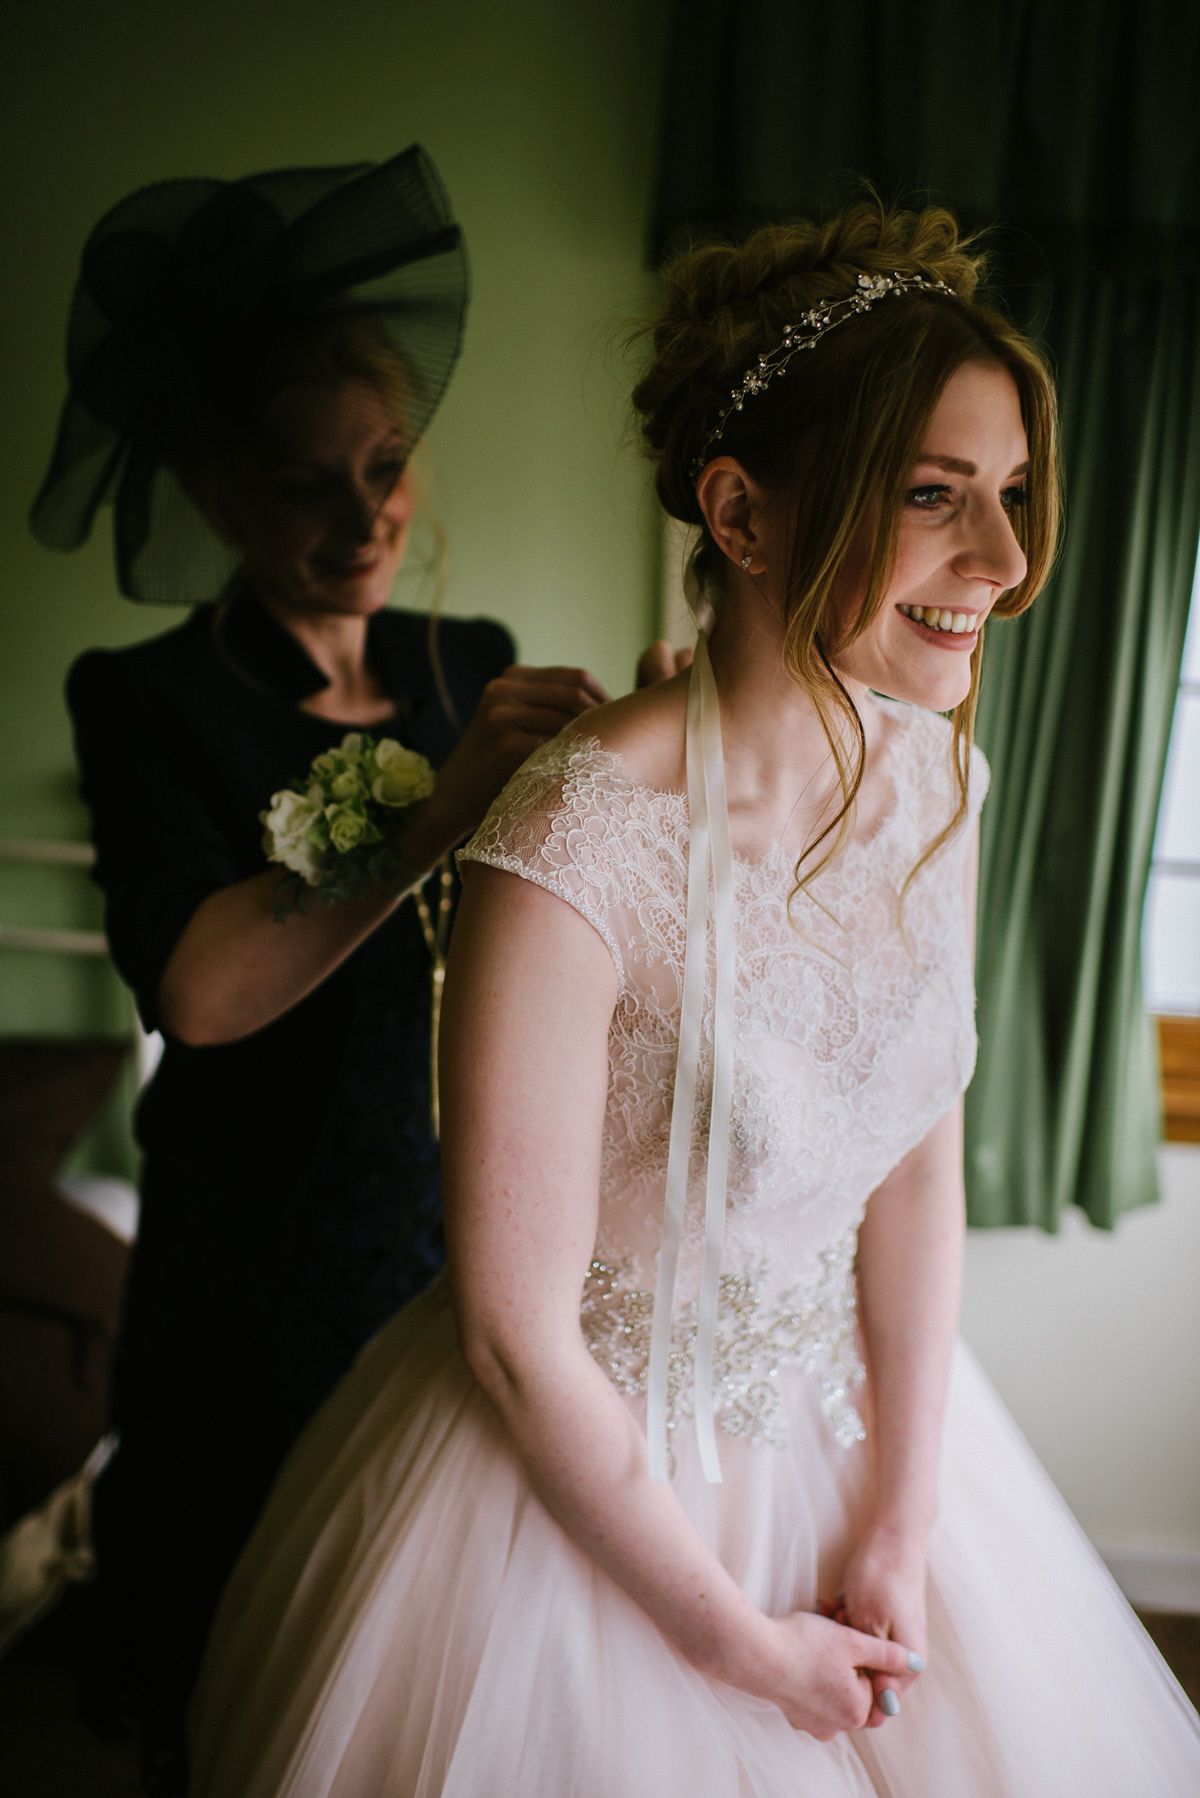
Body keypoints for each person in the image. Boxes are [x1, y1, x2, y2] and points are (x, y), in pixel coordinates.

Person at [187, 200, 1200, 1795]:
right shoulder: (574, 841)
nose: (1004, 566)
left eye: (1008, 497)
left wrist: (906, 1512)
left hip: (867, 1444)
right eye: (935, 497)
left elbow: (917, 1160)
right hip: (581, 1496)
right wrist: (738, 1640)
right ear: (739, 512)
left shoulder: (942, 775)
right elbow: (517, 1335)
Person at [33, 146, 671, 1789]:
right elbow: (199, 987)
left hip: (460, 1241)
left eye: (386, 465)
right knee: (232, 1666)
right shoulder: (146, 697)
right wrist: (444, 811)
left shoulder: (471, 666)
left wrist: (666, 757)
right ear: (220, 495)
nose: (365, 514)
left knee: (412, 1675)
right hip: (248, 1259)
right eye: (308, 484)